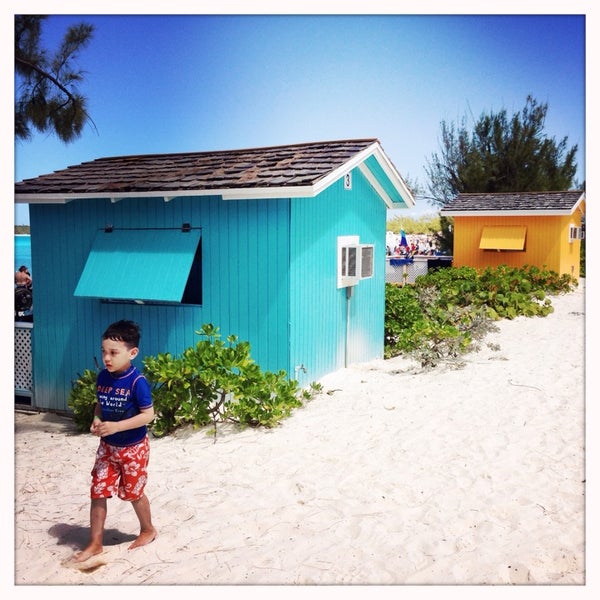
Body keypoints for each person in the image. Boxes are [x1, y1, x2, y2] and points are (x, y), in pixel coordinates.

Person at [74, 320, 157, 563]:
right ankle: (95, 543)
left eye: (113, 353)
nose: (107, 358)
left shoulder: (136, 382)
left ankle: (148, 529)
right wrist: (97, 419)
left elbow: (148, 415)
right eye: (104, 352)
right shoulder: (103, 377)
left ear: (132, 353)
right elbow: (100, 403)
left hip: (133, 449)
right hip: (107, 448)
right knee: (97, 491)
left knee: (133, 492)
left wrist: (117, 426)